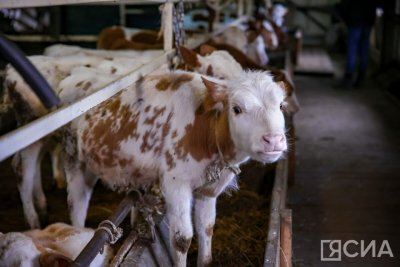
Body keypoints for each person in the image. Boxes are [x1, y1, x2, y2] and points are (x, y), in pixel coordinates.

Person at [339, 0, 380, 88]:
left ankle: (349, 77)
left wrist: (345, 17)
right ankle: (361, 78)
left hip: (355, 20)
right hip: (368, 20)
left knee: (352, 49)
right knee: (364, 49)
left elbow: (345, 4)